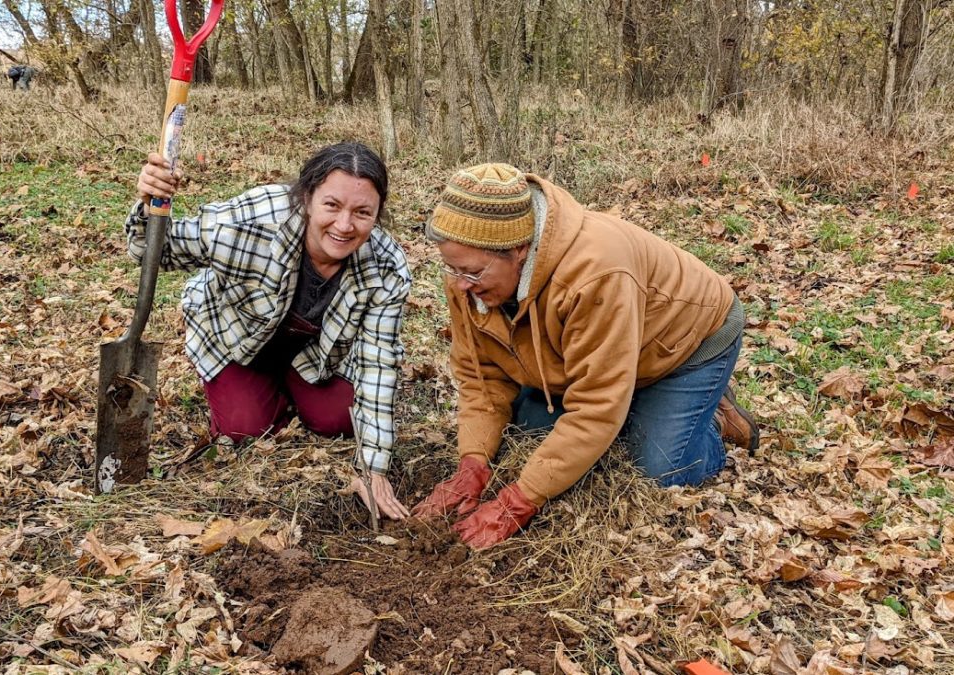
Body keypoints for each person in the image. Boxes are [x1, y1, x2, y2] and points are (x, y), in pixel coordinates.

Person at [411, 163, 759, 548]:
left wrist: (520, 501)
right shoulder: (466, 277)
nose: (460, 284)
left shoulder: (595, 273)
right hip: (607, 349)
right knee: (528, 431)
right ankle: (638, 405)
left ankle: (712, 422)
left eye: (473, 273)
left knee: (659, 469)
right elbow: (482, 378)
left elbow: (595, 404)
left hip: (684, 343)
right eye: (451, 268)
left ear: (519, 251)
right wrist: (472, 463)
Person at [129, 142, 412, 520]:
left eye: (362, 213)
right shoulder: (252, 222)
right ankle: (257, 394)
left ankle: (292, 389)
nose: (345, 226)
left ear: (378, 215)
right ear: (308, 197)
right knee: (246, 428)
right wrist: (150, 204)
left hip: (309, 355)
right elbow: (149, 249)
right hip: (235, 338)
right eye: (332, 205)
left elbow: (379, 361)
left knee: (342, 419)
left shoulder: (386, 268)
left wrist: (374, 469)